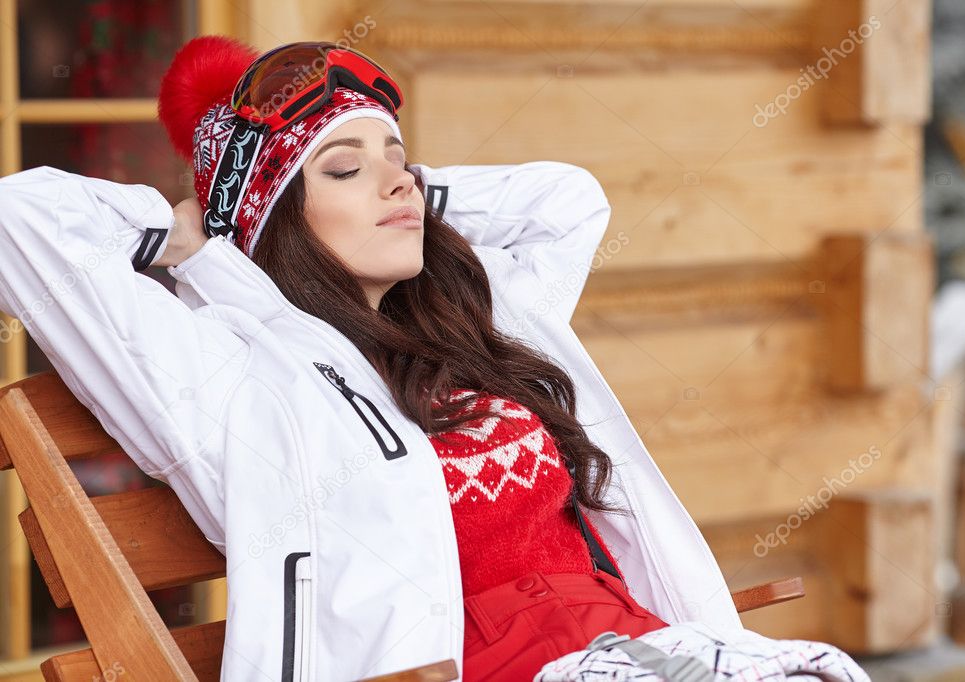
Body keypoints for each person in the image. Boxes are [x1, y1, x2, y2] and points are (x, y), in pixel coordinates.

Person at [0, 36, 747, 681]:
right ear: (279, 218)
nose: (401, 181)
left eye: (401, 160)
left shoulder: (477, 318)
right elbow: (18, 221)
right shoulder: (234, 374)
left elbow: (565, 202)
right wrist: (192, 239)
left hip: (637, 643)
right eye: (342, 169)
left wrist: (390, 195)